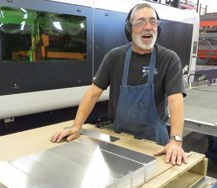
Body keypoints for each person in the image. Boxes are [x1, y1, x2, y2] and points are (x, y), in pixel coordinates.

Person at [51, 3, 187, 165]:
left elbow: (175, 100)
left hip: (154, 144)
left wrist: (176, 141)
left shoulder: (168, 59)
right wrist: (76, 126)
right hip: (120, 138)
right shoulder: (115, 57)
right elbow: (93, 92)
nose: (148, 27)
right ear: (129, 29)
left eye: (153, 22)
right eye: (140, 22)